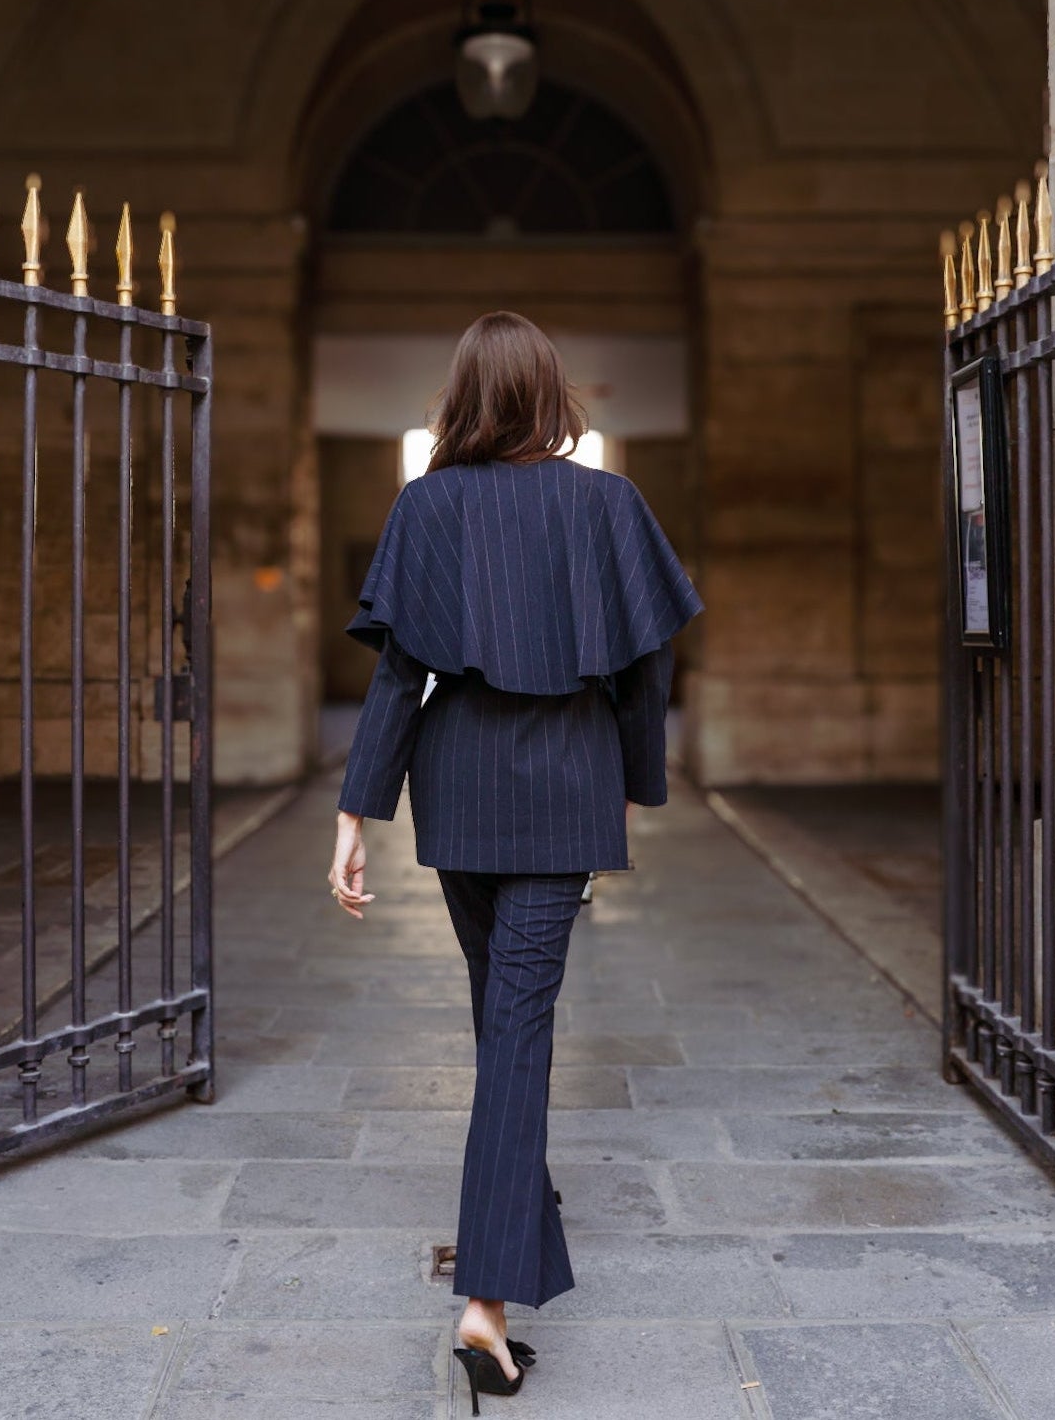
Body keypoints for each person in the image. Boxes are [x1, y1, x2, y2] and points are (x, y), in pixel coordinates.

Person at [328, 310, 703, 1413]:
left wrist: (356, 813)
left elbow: (398, 676)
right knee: (517, 1026)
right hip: (565, 789)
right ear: (550, 396)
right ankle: (487, 1301)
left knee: (502, 1015)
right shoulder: (609, 504)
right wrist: (635, 782)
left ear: (462, 398)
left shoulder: (427, 505)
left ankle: (510, 1233)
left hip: (458, 790)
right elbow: (646, 668)